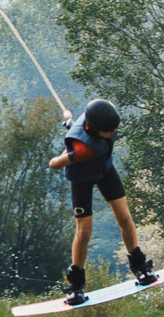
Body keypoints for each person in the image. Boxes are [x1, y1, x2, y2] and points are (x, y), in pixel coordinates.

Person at [48, 99, 157, 304]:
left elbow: (99, 115)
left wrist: (71, 122)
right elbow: (53, 164)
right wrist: (71, 152)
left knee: (124, 218)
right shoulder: (83, 150)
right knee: (84, 232)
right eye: (109, 130)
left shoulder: (105, 117)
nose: (114, 131)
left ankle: (140, 267)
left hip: (105, 170)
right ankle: (76, 285)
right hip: (82, 177)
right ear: (95, 130)